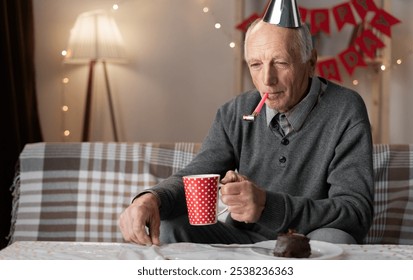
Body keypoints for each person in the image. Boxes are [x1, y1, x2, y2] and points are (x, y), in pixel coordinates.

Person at [119, 19, 374, 246]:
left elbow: (355, 212)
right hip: (241, 239)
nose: (267, 79)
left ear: (311, 63)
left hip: (308, 239)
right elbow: (196, 174)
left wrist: (267, 206)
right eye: (255, 64)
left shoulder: (345, 109)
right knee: (170, 225)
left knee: (335, 239)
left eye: (281, 62)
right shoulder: (235, 112)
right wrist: (152, 198)